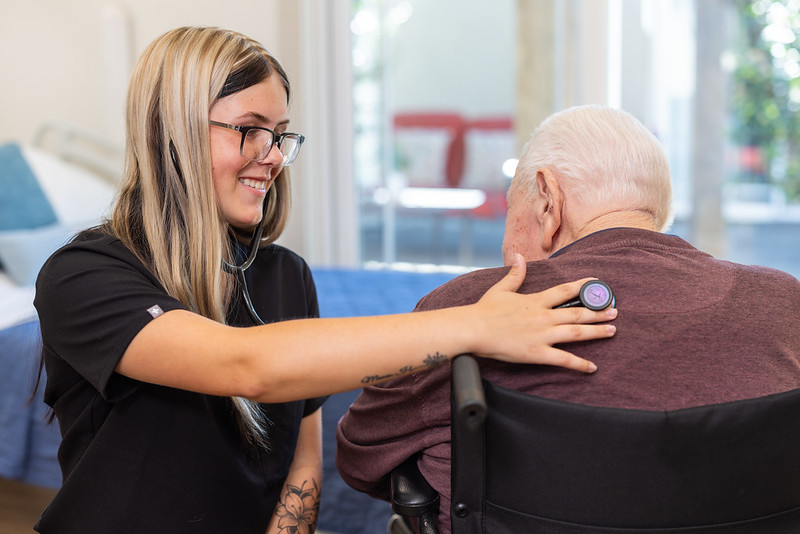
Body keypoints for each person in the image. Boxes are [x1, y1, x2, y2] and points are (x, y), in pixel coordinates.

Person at [31, 28, 618, 534]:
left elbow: (304, 464)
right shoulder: (84, 275)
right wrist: (474, 325)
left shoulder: (286, 276)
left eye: (280, 133)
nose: (273, 156)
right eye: (250, 130)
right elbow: (247, 367)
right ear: (172, 132)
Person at [335, 104, 800, 534]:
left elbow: (360, 457)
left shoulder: (469, 308)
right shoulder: (785, 303)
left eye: (510, 213)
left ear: (547, 201)